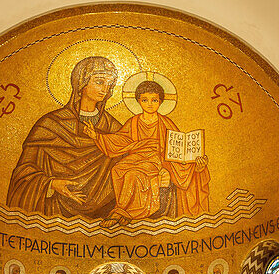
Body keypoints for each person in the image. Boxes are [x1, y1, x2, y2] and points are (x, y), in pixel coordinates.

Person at [6, 57, 124, 219]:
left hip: (104, 212)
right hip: (55, 210)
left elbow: (132, 162)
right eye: (99, 82)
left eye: (109, 84)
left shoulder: (113, 128)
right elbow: (24, 171)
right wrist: (51, 184)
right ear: (81, 83)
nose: (105, 89)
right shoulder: (50, 125)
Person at [87, 80, 210, 224]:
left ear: (160, 102)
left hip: (155, 160)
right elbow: (121, 139)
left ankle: (123, 212)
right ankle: (127, 213)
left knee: (134, 174)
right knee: (118, 169)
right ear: (139, 101)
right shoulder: (133, 122)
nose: (150, 104)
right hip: (135, 157)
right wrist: (97, 136)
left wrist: (195, 164)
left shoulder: (165, 122)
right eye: (145, 100)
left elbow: (178, 148)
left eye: (154, 100)